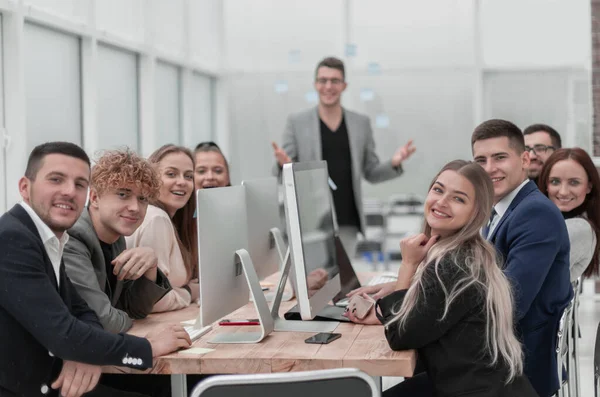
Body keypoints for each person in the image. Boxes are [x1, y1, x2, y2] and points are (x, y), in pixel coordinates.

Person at [352, 120, 572, 397]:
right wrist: (409, 291)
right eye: (481, 159)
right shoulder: (482, 231)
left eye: (500, 157)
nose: (489, 168)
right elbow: (462, 291)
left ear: (525, 158)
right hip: (482, 369)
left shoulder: (533, 213)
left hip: (502, 366)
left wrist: (409, 278)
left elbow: (508, 303)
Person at [0, 142, 191, 397]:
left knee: (188, 386)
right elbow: (66, 331)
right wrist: (146, 347)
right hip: (31, 387)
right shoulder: (13, 238)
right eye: (56, 179)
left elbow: (82, 310)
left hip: (57, 375)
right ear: (25, 188)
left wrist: (82, 347)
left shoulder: (51, 237)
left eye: (79, 184)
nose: (69, 191)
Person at [346, 160, 537, 397]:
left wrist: (408, 265)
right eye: (438, 189)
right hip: (479, 383)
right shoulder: (465, 253)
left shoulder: (452, 265)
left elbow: (400, 336)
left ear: (477, 213)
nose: (442, 202)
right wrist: (391, 303)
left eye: (458, 198)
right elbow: (424, 316)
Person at [271, 56, 416, 258]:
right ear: (315, 84)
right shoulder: (297, 122)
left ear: (344, 85)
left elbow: (371, 172)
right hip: (311, 221)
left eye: (335, 80)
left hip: (347, 219)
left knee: (343, 284)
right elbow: (282, 172)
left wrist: (394, 163)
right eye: (323, 80)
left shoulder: (360, 124)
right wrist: (284, 166)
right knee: (314, 284)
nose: (328, 86)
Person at [64, 149, 171, 333]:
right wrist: (122, 318)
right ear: (95, 198)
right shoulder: (72, 237)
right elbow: (101, 320)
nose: (135, 208)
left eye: (143, 198)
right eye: (123, 194)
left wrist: (151, 266)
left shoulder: (116, 237)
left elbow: (136, 309)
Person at [126, 144, 198, 312]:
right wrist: (189, 292)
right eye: (171, 174)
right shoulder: (156, 218)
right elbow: (154, 301)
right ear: (151, 179)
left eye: (188, 176)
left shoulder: (164, 218)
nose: (182, 182)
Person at [538, 147, 600, 282]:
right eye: (555, 181)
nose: (563, 191)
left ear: (589, 186)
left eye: (574, 182)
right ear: (546, 184)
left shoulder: (579, 228)